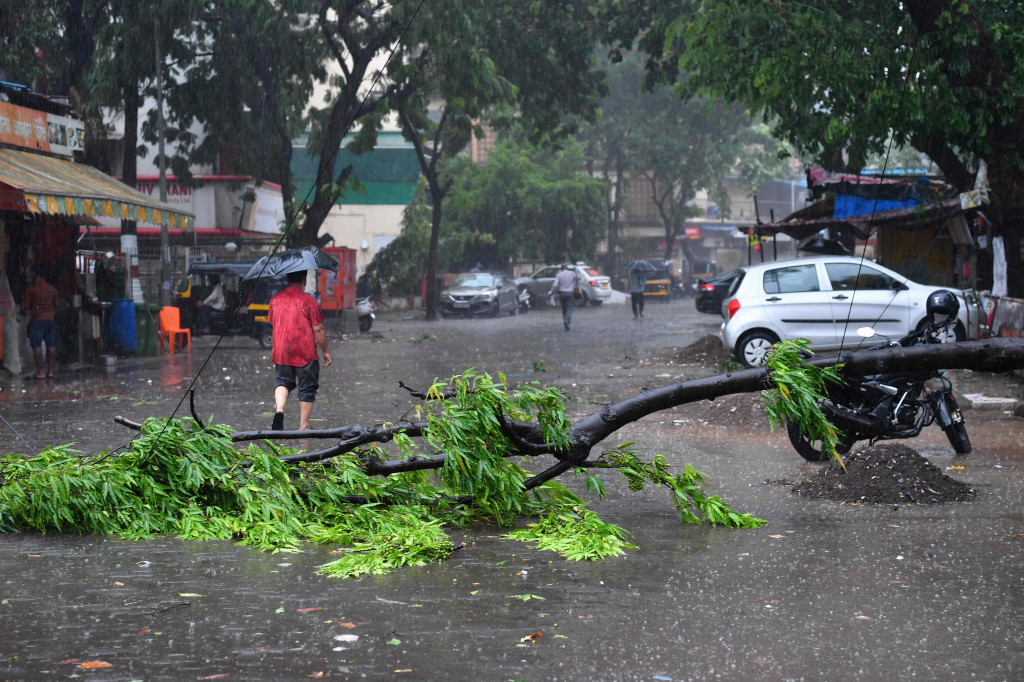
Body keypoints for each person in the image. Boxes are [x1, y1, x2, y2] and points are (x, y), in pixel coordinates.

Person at [268, 269, 332, 430]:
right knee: (307, 386)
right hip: (304, 350)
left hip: (282, 349)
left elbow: (274, 324)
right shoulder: (309, 300)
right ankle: (303, 424)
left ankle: (280, 409)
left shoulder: (275, 300)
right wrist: (325, 350)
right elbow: (318, 329)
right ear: (303, 279)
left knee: (283, 381)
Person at [21, 270, 59, 379]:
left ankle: (40, 371)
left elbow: (24, 306)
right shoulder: (52, 288)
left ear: (36, 276)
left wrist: (25, 311)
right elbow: (56, 304)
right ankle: (51, 371)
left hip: (37, 319)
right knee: (51, 345)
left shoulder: (32, 289)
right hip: (50, 319)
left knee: (36, 345)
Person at [548, 263, 579, 331]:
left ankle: (565, 320)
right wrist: (575, 271)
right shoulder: (572, 273)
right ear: (567, 268)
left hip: (562, 293)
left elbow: (555, 285)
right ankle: (567, 321)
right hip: (570, 293)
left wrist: (551, 292)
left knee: (564, 308)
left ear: (561, 269)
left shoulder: (558, 275)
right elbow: (578, 278)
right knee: (569, 308)